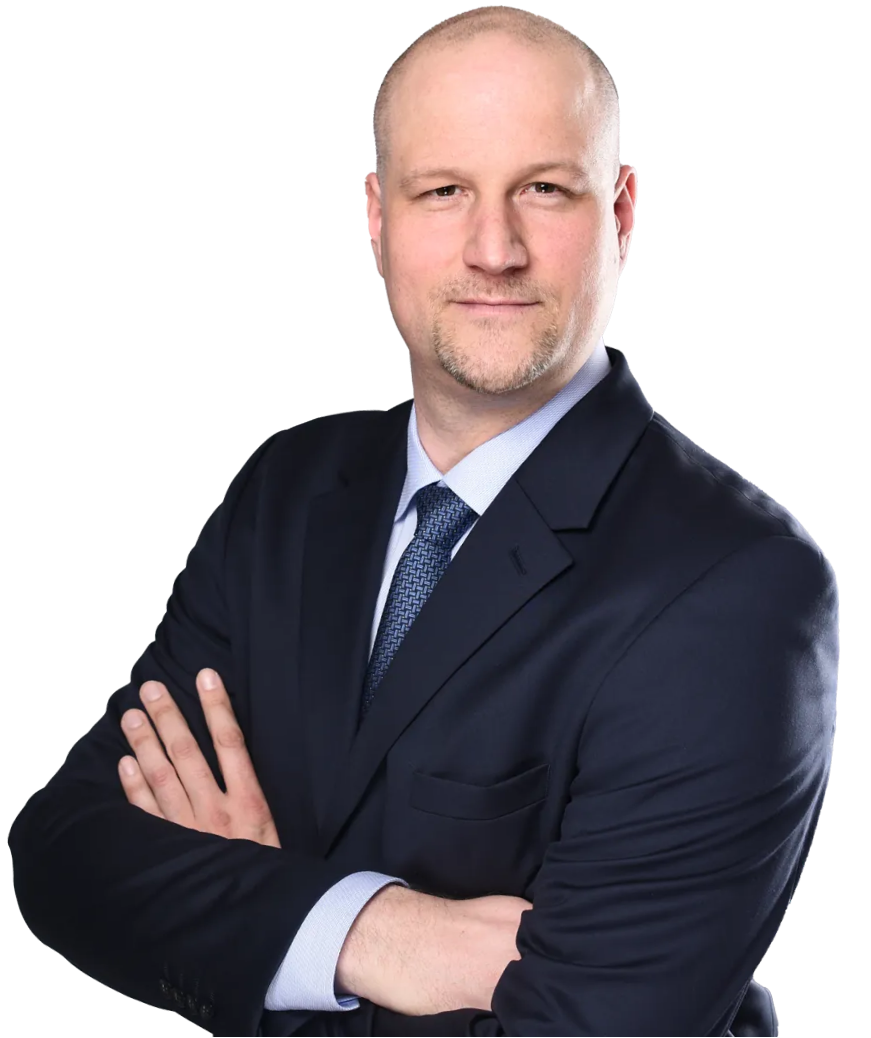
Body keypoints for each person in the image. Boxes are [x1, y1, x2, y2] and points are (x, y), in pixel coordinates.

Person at [8, 8, 836, 1037]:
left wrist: (252, 925)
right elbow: (65, 852)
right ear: (377, 220)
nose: (495, 249)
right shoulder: (289, 489)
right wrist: (376, 932)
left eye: (544, 188)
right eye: (443, 192)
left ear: (620, 213)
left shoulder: (737, 586)